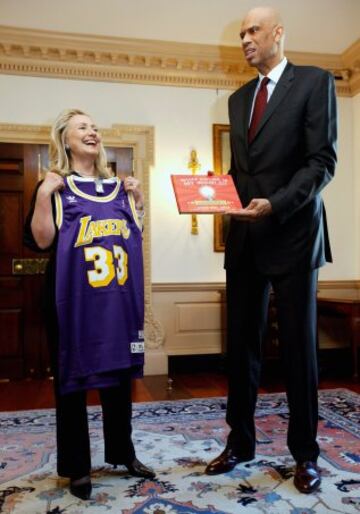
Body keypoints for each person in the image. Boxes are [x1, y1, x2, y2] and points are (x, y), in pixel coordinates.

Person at [205, 6, 337, 494]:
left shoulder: (315, 81)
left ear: (278, 34)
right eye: (240, 33)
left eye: (252, 30)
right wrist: (214, 196)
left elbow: (322, 162)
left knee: (300, 352)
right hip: (245, 241)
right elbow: (242, 174)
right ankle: (240, 444)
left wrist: (275, 204)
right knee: (240, 350)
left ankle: (306, 455)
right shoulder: (239, 99)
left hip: (295, 234)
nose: (245, 39)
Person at [24, 108, 155, 501]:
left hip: (115, 300)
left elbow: (136, 232)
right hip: (72, 301)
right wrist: (45, 194)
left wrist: (139, 199)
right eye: (83, 127)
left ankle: (123, 452)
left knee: (119, 378)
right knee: (72, 381)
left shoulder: (119, 186)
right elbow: (44, 240)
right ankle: (77, 466)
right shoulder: (55, 186)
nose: (92, 132)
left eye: (95, 127)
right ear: (65, 138)